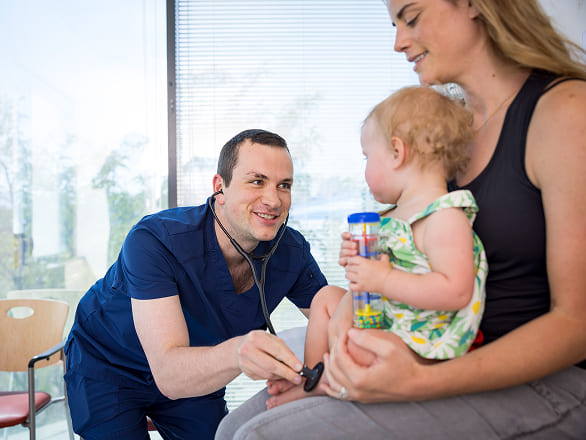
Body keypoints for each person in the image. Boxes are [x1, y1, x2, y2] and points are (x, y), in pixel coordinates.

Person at [215, 1, 586, 438]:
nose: (398, 42)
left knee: (259, 436)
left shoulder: (565, 112)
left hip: (538, 380)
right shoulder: (447, 134)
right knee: (234, 426)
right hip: (434, 351)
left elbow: (577, 321)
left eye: (410, 17)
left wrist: (418, 381)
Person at [64, 129, 327, 440]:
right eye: (257, 181)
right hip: (109, 364)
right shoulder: (155, 240)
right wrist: (239, 352)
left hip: (194, 368)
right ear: (220, 187)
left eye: (284, 185)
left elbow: (337, 319)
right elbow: (170, 375)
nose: (273, 199)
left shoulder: (290, 251)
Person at [264, 86, 488, 409]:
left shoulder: (443, 217)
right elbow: (371, 279)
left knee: (367, 346)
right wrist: (357, 263)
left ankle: (328, 383)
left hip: (418, 339)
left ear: (397, 152)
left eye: (368, 157)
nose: (365, 168)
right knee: (325, 298)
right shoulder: (391, 217)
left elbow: (455, 292)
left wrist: (382, 279)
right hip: (385, 318)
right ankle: (313, 376)